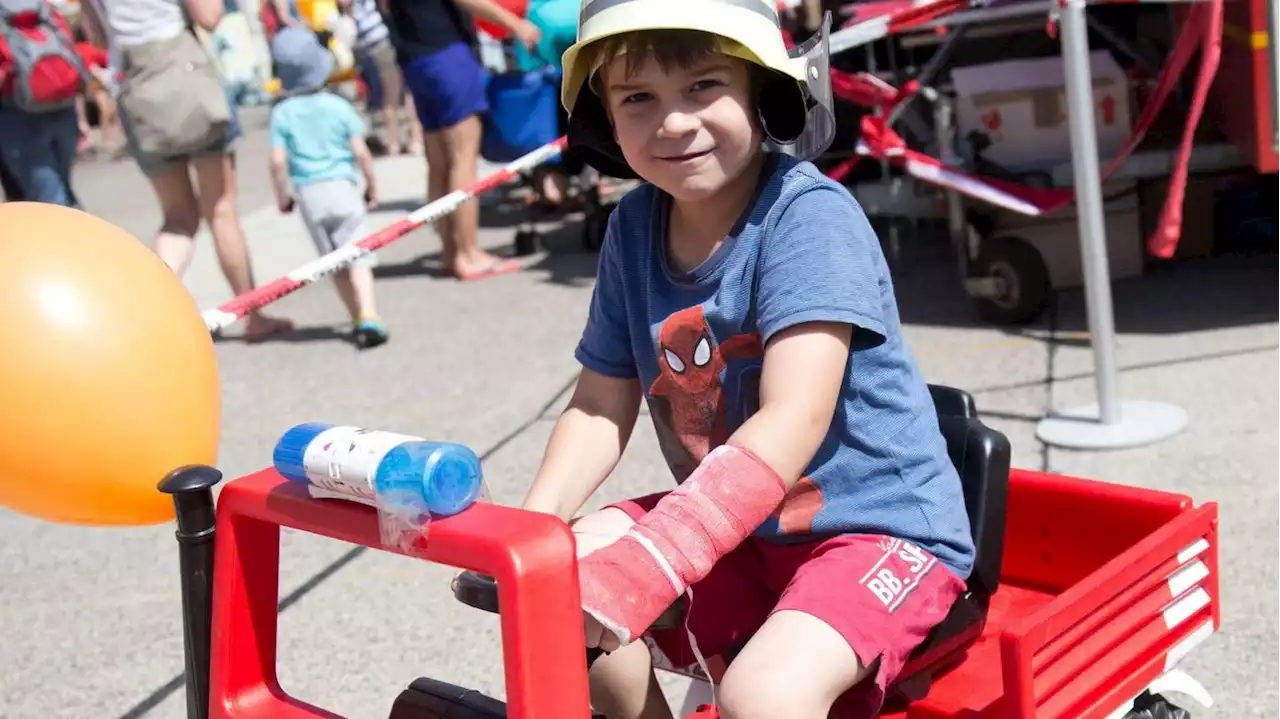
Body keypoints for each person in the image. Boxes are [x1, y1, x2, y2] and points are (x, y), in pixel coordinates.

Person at [516, 2, 978, 718]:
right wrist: (531, 533)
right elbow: (598, 404)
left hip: (879, 530)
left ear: (765, 92)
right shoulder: (632, 228)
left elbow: (795, 415)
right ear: (605, 117)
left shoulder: (806, 218)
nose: (673, 122)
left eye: (704, 86)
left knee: (762, 694)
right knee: (560, 587)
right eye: (639, 97)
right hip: (743, 531)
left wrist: (660, 553)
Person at [79, 0, 293, 341]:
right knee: (221, 210)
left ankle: (153, 305)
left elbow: (100, 39)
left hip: (138, 91)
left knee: (178, 219)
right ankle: (252, 316)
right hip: (186, 81)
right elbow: (209, 17)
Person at [381, 0, 540, 280]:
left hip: (413, 57)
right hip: (446, 52)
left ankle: (450, 252)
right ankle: (468, 253)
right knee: (463, 159)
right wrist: (515, 25)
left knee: (439, 163)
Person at [267, 28, 389, 349]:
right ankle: (370, 313)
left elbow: (278, 163)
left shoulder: (281, 114)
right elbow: (361, 152)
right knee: (359, 257)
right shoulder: (338, 106)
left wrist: (282, 197)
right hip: (344, 189)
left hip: (309, 195)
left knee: (334, 262)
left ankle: (354, 315)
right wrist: (371, 186)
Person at [341, 0, 422, 155]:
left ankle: (398, 142)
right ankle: (409, 141)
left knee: (395, 91)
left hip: (372, 43)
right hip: (383, 40)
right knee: (403, 92)